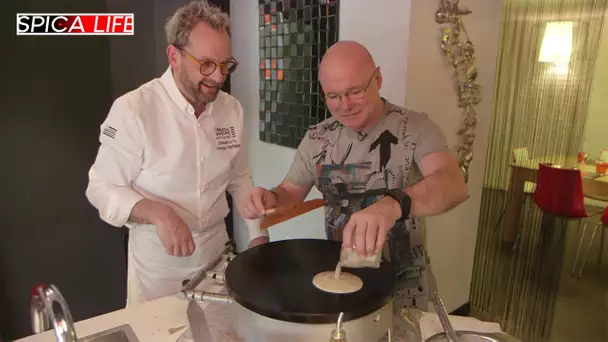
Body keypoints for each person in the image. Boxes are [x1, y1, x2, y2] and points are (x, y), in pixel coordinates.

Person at [243, 41, 468, 310]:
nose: (344, 105)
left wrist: (392, 205)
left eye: (355, 91)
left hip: (404, 292)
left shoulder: (415, 127)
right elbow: (289, 193)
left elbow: (453, 184)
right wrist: (268, 198)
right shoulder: (317, 138)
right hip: (340, 283)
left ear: (378, 79)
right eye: (333, 96)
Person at [86, 1, 267, 307]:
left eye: (226, 65)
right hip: (160, 267)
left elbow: (239, 178)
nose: (219, 77)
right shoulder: (133, 110)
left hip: (217, 257)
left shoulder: (231, 110)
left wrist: (257, 234)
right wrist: (159, 213)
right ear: (175, 57)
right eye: (207, 64)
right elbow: (100, 188)